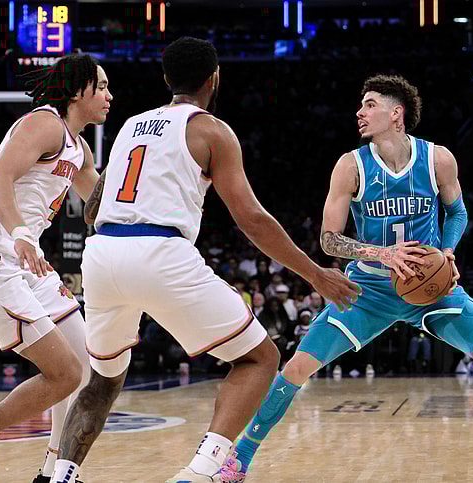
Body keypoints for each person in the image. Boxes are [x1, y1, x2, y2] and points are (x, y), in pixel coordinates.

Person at [220, 74, 473, 483]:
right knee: (296, 368)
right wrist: (382, 253)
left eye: (370, 104)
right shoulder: (350, 165)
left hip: (431, 288)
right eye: (361, 105)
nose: (360, 112)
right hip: (370, 289)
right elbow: (329, 240)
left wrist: (447, 252)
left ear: (396, 114)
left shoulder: (438, 159)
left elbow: (459, 213)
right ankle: (240, 459)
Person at [49, 37, 359, 483]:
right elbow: (251, 219)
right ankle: (202, 471)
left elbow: (93, 207)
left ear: (165, 79)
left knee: (103, 379)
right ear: (215, 78)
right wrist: (314, 274)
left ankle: (62, 476)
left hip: (101, 254)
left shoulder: (131, 124)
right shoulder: (212, 130)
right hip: (158, 251)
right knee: (259, 359)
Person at [0, 53, 112, 483]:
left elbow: (105, 205)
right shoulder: (44, 124)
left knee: (85, 366)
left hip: (24, 264)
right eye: (102, 86)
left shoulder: (80, 147)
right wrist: (19, 232)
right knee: (65, 373)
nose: (110, 95)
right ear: (79, 90)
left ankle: (53, 471)